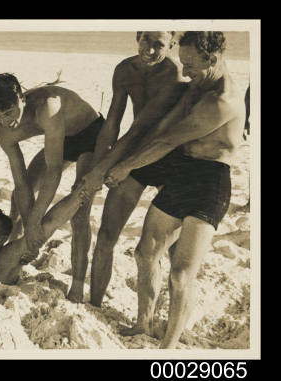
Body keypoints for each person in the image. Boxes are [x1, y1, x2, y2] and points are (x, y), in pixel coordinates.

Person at [85, 32, 245, 349]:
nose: (183, 72)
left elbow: (168, 140)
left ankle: (168, 348)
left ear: (211, 60)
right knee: (145, 253)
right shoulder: (197, 87)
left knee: (181, 272)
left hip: (210, 182)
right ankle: (143, 323)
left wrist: (127, 166)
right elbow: (159, 129)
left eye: (189, 65)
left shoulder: (222, 99)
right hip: (184, 173)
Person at [78, 31, 187, 306]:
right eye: (146, 39)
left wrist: (105, 167)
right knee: (105, 235)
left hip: (168, 156)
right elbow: (113, 122)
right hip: (135, 153)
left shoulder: (172, 73)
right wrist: (97, 168)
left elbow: (140, 126)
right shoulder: (124, 70)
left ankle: (172, 313)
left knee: (173, 250)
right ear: (137, 36)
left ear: (172, 45)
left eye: (159, 44)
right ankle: (94, 306)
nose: (150, 49)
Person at [0, 73, 105, 302]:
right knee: (17, 199)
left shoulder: (47, 107)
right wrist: (30, 226)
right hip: (62, 139)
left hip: (92, 134)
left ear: (22, 98)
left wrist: (34, 222)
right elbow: (21, 183)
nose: (4, 121)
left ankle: (78, 286)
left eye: (9, 113)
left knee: (80, 211)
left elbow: (54, 172)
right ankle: (13, 256)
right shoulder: (3, 131)